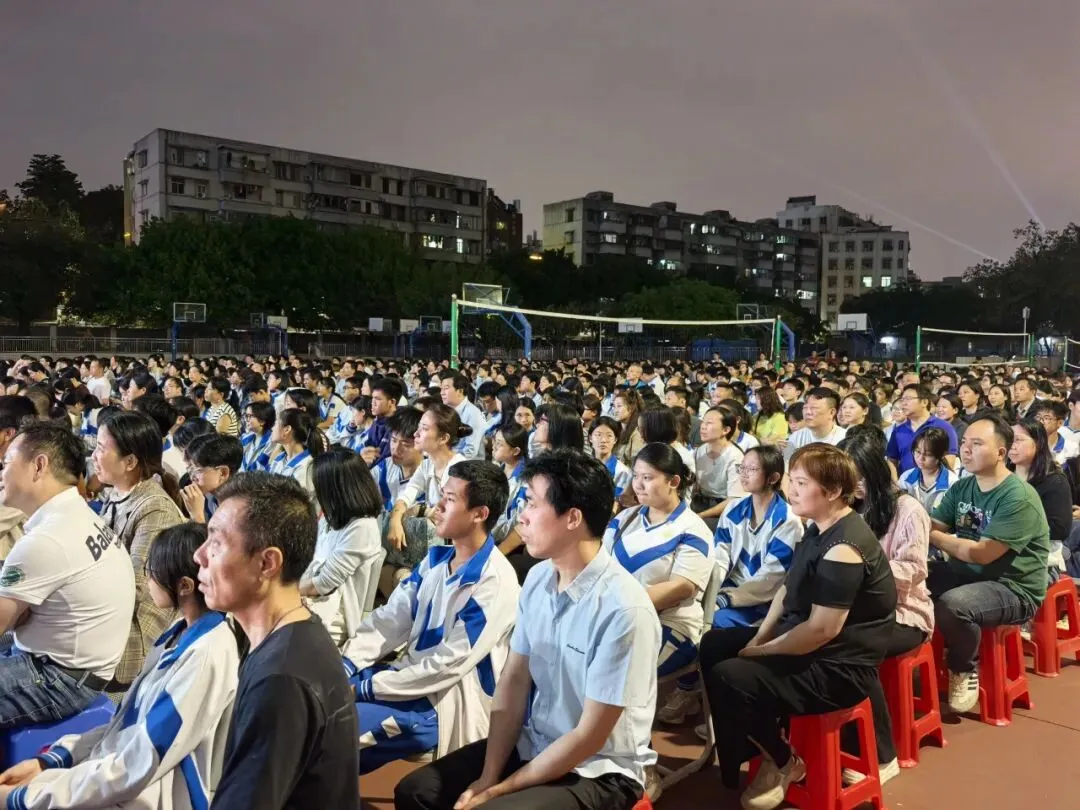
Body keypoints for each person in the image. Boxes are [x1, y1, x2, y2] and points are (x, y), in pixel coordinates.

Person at [394, 450, 660, 810]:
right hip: (536, 741)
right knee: (415, 792)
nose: (522, 517)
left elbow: (588, 736)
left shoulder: (624, 610)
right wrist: (489, 775)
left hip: (599, 769)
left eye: (532, 504)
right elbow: (515, 680)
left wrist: (498, 791)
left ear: (573, 518)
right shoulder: (537, 578)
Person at [699, 444, 897, 808]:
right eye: (792, 480)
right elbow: (788, 584)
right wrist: (760, 636)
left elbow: (823, 630)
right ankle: (750, 749)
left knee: (732, 676)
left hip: (837, 665)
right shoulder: (818, 526)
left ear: (834, 492)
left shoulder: (845, 548)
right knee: (713, 644)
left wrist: (763, 651)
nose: (791, 489)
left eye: (802, 482)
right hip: (809, 643)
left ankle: (783, 760)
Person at [0, 523, 240, 809]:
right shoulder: (178, 633)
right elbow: (126, 727)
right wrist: (53, 759)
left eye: (152, 570)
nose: (146, 578)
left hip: (152, 795)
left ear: (185, 585)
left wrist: (28, 798)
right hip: (119, 777)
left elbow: (137, 763)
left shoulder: (206, 656)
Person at [342, 460, 520, 773]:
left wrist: (366, 687)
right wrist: (347, 665)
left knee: (331, 737)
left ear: (480, 514)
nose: (437, 506)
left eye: (450, 500)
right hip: (406, 680)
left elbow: (446, 666)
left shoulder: (496, 581)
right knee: (314, 704)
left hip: (442, 702)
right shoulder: (437, 560)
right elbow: (389, 620)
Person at [194, 473, 359, 810]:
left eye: (216, 543)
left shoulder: (282, 680)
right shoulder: (290, 636)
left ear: (267, 563)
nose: (199, 555)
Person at [0, 423, 136, 728]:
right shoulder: (76, 514)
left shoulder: (48, 539)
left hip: (60, 680)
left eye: (7, 462)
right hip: (83, 667)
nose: (1, 472)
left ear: (38, 466)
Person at [928, 413, 1050, 713]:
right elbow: (934, 525)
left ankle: (963, 667)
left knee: (955, 605)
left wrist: (933, 536)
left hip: (1012, 587)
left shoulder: (1018, 497)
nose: (966, 449)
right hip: (967, 575)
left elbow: (982, 553)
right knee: (905, 581)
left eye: (977, 443)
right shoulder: (963, 487)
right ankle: (933, 655)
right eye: (965, 443)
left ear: (1000, 452)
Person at [838, 430, 933, 785]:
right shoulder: (851, 508)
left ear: (875, 472)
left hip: (905, 613)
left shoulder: (908, 510)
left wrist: (861, 567)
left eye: (858, 477)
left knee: (852, 649)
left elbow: (913, 570)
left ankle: (880, 754)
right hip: (858, 609)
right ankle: (826, 738)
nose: (853, 486)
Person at [93, 411, 185, 689]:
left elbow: (132, 589)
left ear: (130, 461)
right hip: (107, 615)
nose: (94, 456)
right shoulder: (119, 492)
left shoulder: (154, 508)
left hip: (131, 636)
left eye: (100, 448)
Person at [300, 448, 384, 644]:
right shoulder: (332, 518)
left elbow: (322, 584)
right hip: (315, 599)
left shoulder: (362, 527)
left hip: (336, 614)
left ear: (335, 490)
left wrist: (284, 593)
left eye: (319, 488)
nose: (316, 494)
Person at [1006, 418, 1071, 576]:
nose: (1012, 445)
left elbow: (1060, 529)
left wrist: (1011, 525)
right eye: (1008, 440)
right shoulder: (1002, 477)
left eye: (1018, 440)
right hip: (1002, 548)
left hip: (1041, 558)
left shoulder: (1054, 481)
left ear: (1039, 443)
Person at [180, 434, 244, 524]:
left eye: (197, 470)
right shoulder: (209, 495)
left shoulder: (239, 512)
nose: (192, 477)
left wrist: (197, 516)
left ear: (223, 473)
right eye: (190, 469)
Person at [897, 427, 958, 516]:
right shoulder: (906, 477)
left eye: (928, 454)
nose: (920, 458)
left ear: (942, 455)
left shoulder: (952, 483)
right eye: (918, 451)